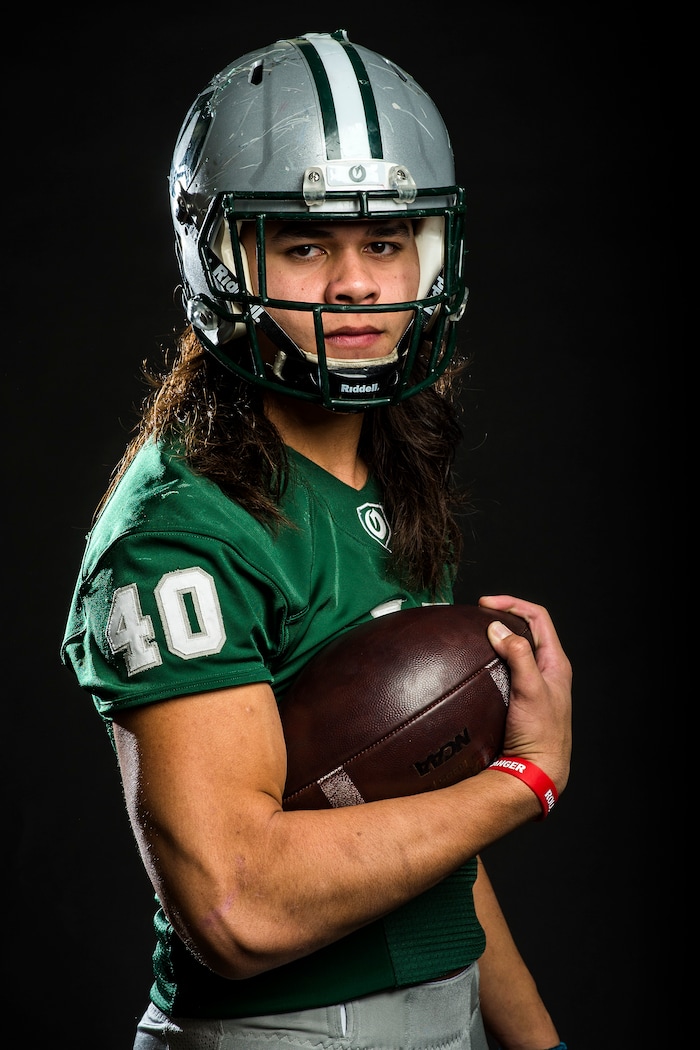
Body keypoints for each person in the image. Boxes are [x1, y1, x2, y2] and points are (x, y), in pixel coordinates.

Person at [61, 29, 572, 1050]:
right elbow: (236, 912)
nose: (353, 285)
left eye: (384, 243)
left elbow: (423, 849)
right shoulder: (183, 530)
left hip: (452, 1011)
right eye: (304, 244)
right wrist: (525, 783)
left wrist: (537, 1042)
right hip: (289, 1031)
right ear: (223, 255)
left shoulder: (387, 467)